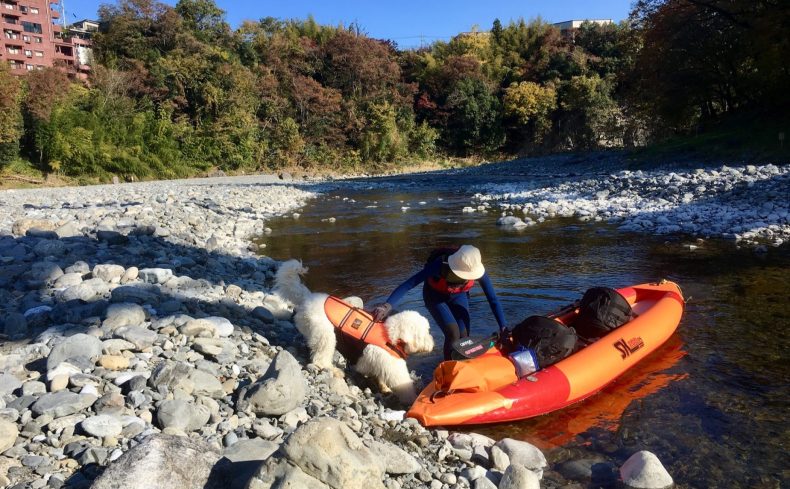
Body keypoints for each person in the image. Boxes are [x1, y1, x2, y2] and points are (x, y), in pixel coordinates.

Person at [371, 245, 507, 360]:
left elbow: (493, 300)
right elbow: (409, 284)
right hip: (435, 297)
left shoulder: (478, 271)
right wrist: (386, 306)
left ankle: (462, 366)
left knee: (464, 336)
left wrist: (503, 327)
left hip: (459, 296)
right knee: (453, 333)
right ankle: (447, 368)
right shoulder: (439, 266)